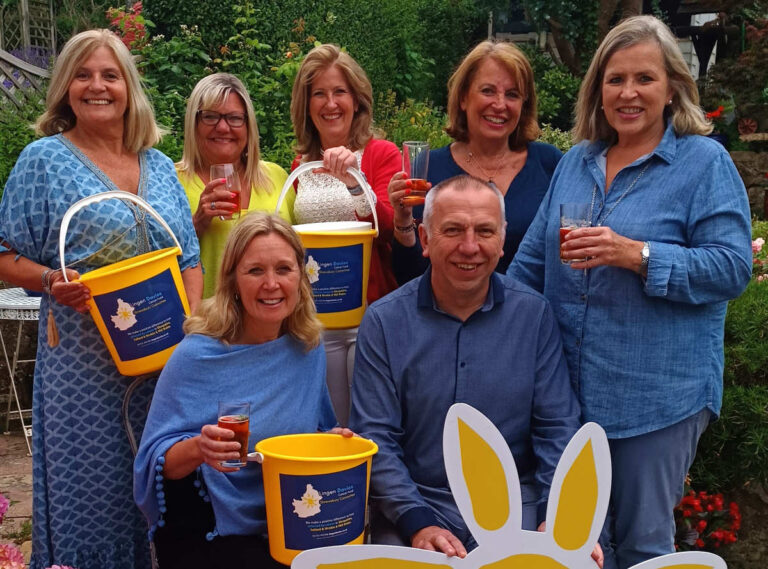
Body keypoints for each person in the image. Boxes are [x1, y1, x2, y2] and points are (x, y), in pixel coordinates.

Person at [507, 15, 752, 569]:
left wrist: (635, 255)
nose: (628, 93)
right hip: (569, 398)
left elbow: (732, 267)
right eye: (615, 79)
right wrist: (479, 313)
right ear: (597, 91)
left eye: (644, 78)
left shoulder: (702, 164)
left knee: (642, 546)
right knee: (575, 545)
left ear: (673, 87)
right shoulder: (576, 161)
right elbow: (527, 268)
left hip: (656, 400)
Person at [0, 29, 202, 569]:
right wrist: (49, 280)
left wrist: (193, 332)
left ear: (128, 87)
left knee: (164, 489)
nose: (97, 86)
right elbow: (1, 253)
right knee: (92, 494)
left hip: (164, 367)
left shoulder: (158, 165)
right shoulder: (43, 160)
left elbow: (189, 259)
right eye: (83, 76)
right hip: (81, 372)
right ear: (66, 88)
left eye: (109, 75)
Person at [350, 176, 593, 562]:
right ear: (426, 240)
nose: (470, 246)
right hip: (417, 504)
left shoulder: (533, 315)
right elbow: (375, 437)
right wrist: (418, 523)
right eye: (453, 230)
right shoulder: (383, 322)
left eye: (484, 231)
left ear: (501, 240)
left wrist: (555, 515)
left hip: (517, 507)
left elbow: (556, 425)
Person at [134, 213, 342, 568]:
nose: (272, 284)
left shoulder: (307, 347)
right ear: (232, 280)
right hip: (209, 518)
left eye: (284, 269)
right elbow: (155, 462)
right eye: (255, 271)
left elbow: (313, 431)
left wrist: (335, 440)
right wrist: (201, 448)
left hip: (291, 514)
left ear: (301, 277)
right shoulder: (197, 355)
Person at [388, 40, 562, 285]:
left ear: (524, 105)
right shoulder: (429, 170)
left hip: (529, 319)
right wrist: (403, 220)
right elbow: (410, 276)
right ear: (463, 98)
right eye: (488, 91)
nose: (500, 105)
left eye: (512, 94)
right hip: (449, 320)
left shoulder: (549, 164)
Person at [290, 43, 400, 425]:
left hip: (368, 315)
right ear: (306, 104)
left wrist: (356, 180)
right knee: (330, 426)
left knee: (372, 426)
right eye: (318, 93)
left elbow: (389, 229)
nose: (330, 103)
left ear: (357, 100)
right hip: (313, 321)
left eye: (339, 92)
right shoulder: (299, 166)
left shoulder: (380, 154)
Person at [177, 73, 292, 298]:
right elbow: (157, 264)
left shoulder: (276, 177)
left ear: (249, 126)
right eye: (210, 117)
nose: (222, 127)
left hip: (271, 320)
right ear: (194, 123)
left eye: (234, 118)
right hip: (205, 326)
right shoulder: (171, 181)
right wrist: (197, 224)